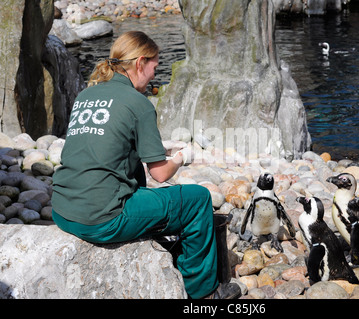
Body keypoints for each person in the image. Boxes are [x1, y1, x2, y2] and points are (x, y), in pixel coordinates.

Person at [51, 31, 240, 299]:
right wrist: (182, 157)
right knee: (197, 199)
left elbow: (103, 147)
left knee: (136, 176)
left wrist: (155, 148)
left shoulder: (86, 96)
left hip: (63, 209)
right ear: (140, 63)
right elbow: (160, 174)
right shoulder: (139, 103)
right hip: (101, 218)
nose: (154, 75)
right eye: (155, 67)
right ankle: (203, 293)